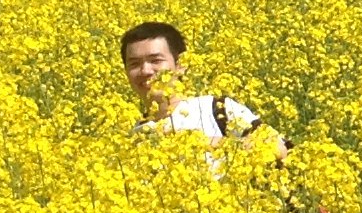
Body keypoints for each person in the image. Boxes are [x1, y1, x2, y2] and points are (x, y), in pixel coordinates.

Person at [120, 20, 281, 156]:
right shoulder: (133, 139)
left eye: (155, 60)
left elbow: (277, 147)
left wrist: (202, 142)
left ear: (180, 65)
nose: (145, 71)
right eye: (134, 64)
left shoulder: (217, 109)